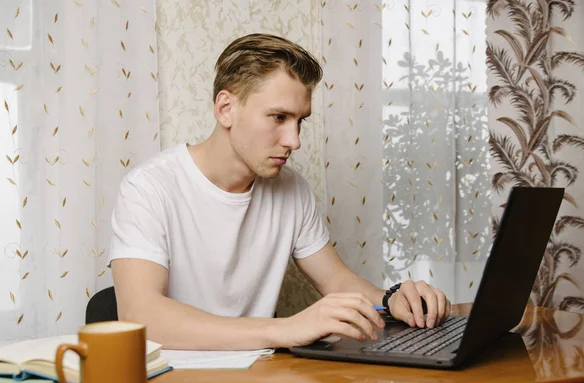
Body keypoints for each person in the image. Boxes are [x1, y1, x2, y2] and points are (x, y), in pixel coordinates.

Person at [108, 33, 451, 350]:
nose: (294, 140)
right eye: (278, 117)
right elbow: (141, 317)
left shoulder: (292, 188)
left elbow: (336, 279)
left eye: (300, 120)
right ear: (226, 108)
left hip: (262, 378)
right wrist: (285, 329)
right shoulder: (148, 188)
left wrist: (393, 300)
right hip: (179, 382)